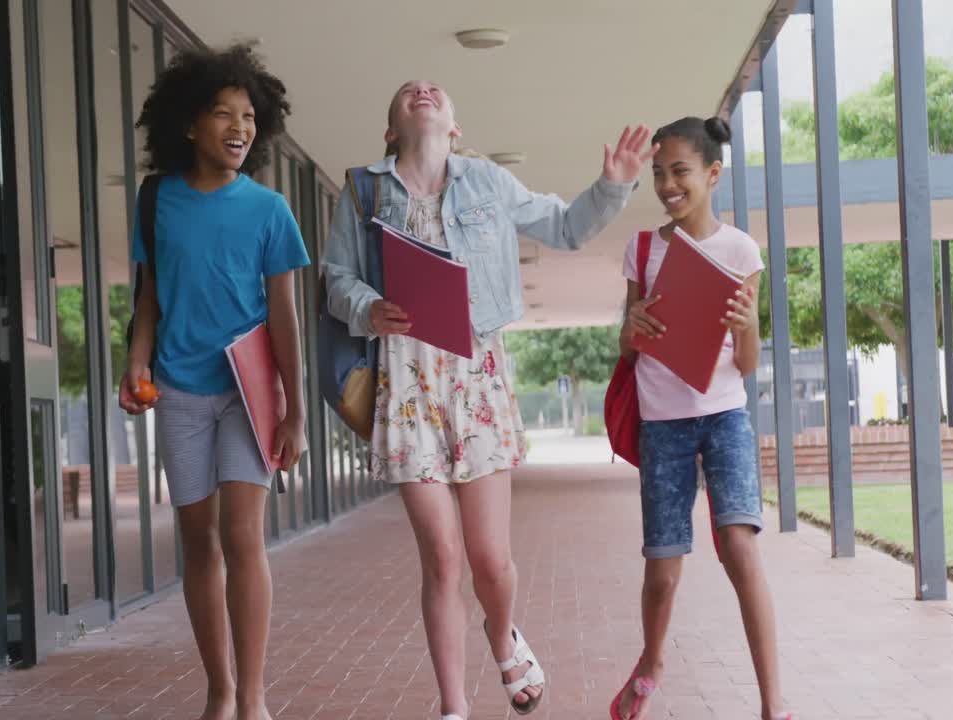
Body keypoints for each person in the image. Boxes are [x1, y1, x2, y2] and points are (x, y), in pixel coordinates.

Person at [322, 79, 655, 720]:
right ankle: (453, 707)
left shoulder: (488, 182)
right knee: (443, 558)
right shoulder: (363, 191)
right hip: (407, 384)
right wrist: (369, 307)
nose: (423, 90)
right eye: (408, 90)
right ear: (392, 129)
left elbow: (563, 225)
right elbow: (336, 278)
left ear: (456, 126)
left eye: (436, 89)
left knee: (489, 561)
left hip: (478, 380)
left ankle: (501, 635)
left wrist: (612, 184)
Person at [119, 45, 309, 720]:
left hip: (247, 393)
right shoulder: (157, 201)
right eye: (224, 113)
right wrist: (135, 363)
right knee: (197, 541)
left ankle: (253, 697)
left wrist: (295, 411)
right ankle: (219, 689)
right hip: (179, 389)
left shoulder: (270, 211)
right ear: (190, 126)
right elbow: (150, 297)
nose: (240, 126)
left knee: (242, 535)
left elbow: (284, 316)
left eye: (250, 115)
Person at [610, 116, 792, 720]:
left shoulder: (741, 250)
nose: (667, 184)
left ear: (713, 174)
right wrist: (631, 332)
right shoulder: (644, 249)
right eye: (659, 174)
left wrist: (747, 327)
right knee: (662, 572)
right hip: (663, 424)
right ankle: (652, 661)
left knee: (739, 548)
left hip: (724, 418)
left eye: (680, 171)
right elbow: (626, 346)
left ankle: (773, 705)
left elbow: (744, 363)